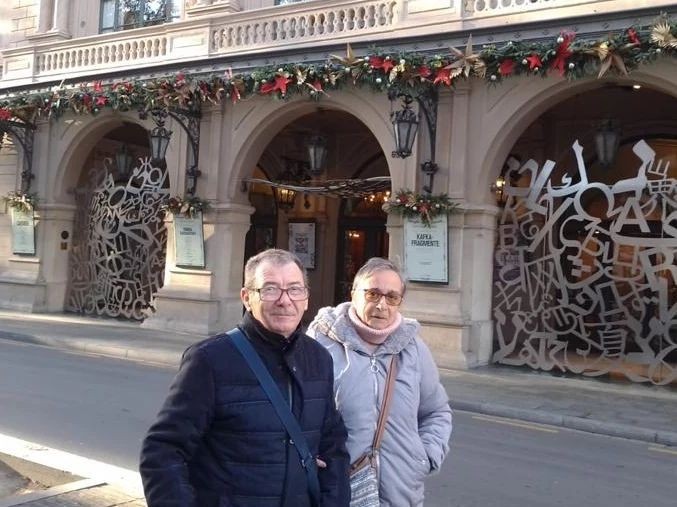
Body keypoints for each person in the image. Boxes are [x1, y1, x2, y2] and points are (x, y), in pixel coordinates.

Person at [140, 248, 351, 507]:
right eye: (270, 289)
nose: (285, 300)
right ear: (246, 297)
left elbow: (333, 446)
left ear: (306, 298)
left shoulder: (318, 359)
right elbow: (163, 450)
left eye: (295, 289)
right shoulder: (210, 359)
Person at [306, 257, 452, 506]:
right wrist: (308, 456)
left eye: (392, 297)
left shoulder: (414, 349)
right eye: (372, 294)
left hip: (402, 492)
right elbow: (296, 413)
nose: (381, 305)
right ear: (353, 293)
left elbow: (436, 411)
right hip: (338, 490)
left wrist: (425, 457)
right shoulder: (320, 344)